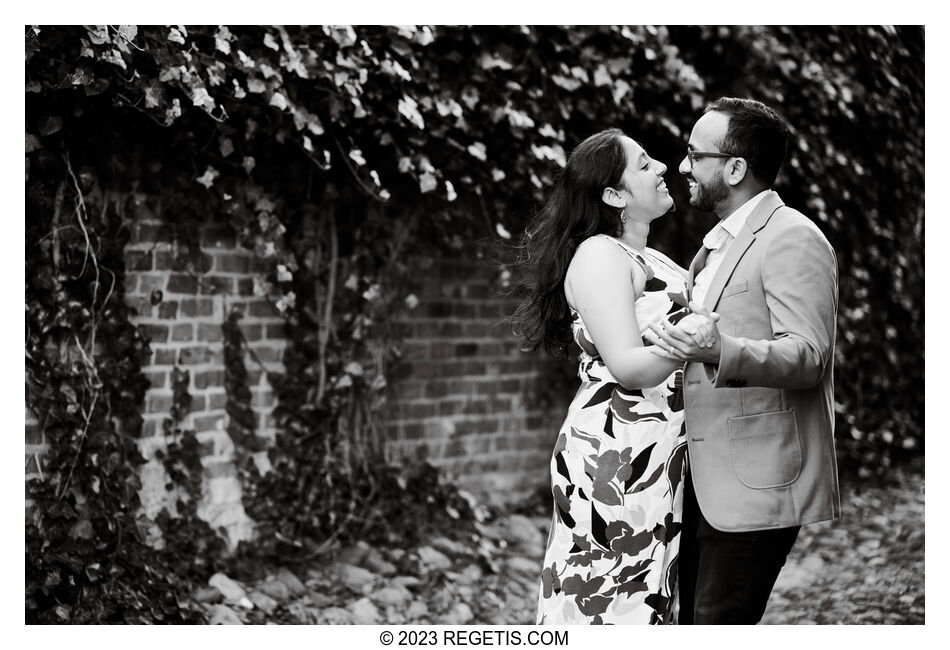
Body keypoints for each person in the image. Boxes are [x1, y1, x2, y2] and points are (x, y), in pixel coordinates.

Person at [644, 97, 840, 624]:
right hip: (701, 478)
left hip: (758, 475)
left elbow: (809, 356)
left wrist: (718, 350)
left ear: (734, 168)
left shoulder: (791, 236)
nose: (682, 166)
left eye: (693, 154)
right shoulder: (714, 247)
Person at [514, 128, 717, 624]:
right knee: (608, 596)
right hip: (618, 449)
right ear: (613, 195)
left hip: (657, 445)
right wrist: (695, 342)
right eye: (645, 165)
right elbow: (627, 365)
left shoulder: (652, 259)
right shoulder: (600, 255)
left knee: (647, 595)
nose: (663, 169)